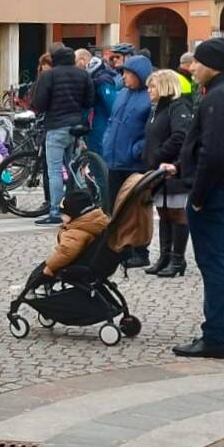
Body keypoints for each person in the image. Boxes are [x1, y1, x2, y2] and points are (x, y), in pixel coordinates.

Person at [161, 38, 224, 359]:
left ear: (211, 64)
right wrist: (181, 165)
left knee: (214, 265)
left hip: (213, 190)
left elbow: (213, 152)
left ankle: (214, 336)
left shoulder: (218, 97)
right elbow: (211, 148)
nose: (192, 67)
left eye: (197, 62)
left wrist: (197, 196)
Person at [31, 44, 95, 226]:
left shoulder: (49, 75)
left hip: (56, 126)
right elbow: (90, 100)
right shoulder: (83, 74)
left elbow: (39, 103)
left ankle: (56, 212)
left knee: (55, 171)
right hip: (76, 127)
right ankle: (77, 208)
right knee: (73, 169)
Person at [102, 54, 153, 267]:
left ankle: (139, 251)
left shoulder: (148, 98)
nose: (123, 77)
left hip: (134, 163)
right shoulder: (122, 94)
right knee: (115, 206)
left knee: (135, 209)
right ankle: (121, 247)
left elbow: (150, 131)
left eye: (128, 74)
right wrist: (106, 142)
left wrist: (136, 150)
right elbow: (113, 122)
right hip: (115, 159)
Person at [143, 70, 193, 277]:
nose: (149, 90)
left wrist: (160, 155)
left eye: (152, 86)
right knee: (163, 211)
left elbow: (180, 136)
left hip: (173, 168)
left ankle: (177, 259)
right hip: (158, 169)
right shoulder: (157, 109)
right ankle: (164, 256)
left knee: (176, 212)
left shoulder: (178, 107)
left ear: (164, 86)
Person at [42, 189, 111, 277]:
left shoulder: (76, 232)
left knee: (41, 270)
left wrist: (50, 267)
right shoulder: (95, 221)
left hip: (81, 264)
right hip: (96, 261)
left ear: (74, 214)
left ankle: (34, 288)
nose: (61, 217)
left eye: (64, 214)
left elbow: (66, 252)